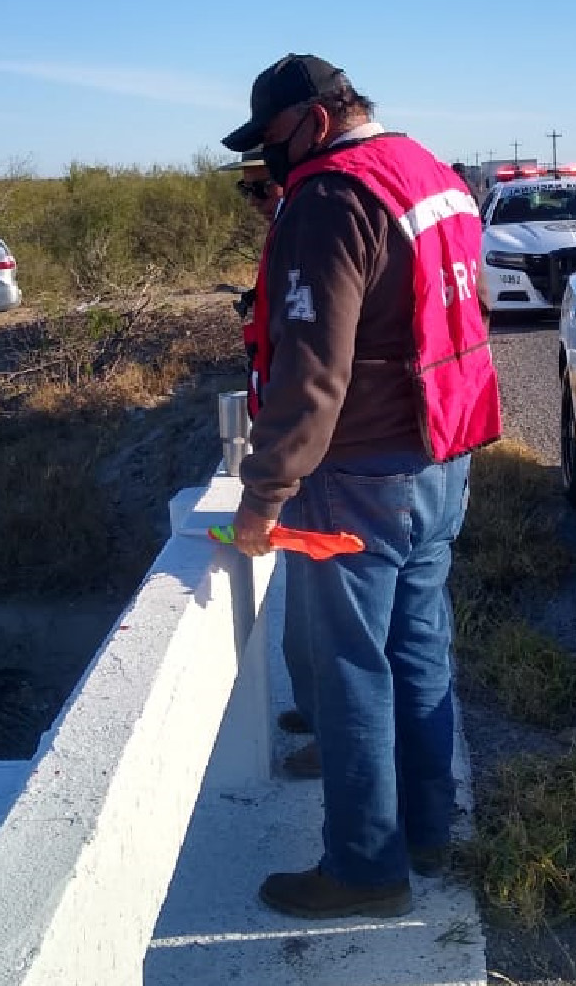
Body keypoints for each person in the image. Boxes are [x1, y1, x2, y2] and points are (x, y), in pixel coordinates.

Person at [220, 53, 500, 919]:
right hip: (442, 456)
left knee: (350, 670)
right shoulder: (430, 173)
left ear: (315, 116)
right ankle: (427, 829)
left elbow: (312, 365)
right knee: (417, 652)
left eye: (271, 139)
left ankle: (365, 870)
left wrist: (263, 497)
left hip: (361, 471)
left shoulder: (331, 196)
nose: (270, 162)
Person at [221, 148, 318, 775]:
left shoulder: (310, 234)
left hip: (317, 459)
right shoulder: (288, 235)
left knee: (332, 626)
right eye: (246, 193)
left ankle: (335, 737)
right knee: (308, 616)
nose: (254, 204)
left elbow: (313, 370)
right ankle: (316, 708)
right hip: (302, 453)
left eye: (260, 191)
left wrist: (264, 492)